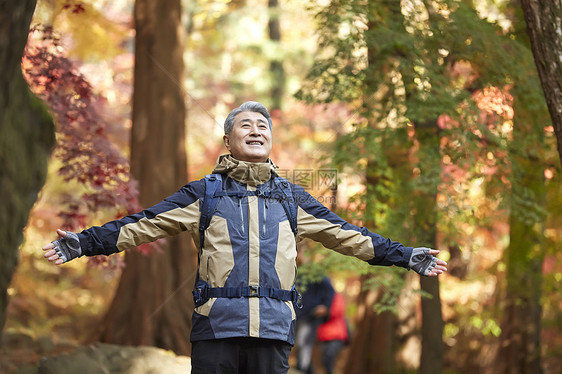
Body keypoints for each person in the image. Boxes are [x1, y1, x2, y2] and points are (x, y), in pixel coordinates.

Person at [42, 101, 447, 374]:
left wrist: (407, 255)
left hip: (273, 330)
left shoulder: (293, 198)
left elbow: (350, 236)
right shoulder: (204, 194)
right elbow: (140, 225)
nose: (255, 131)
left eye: (262, 126)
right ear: (228, 140)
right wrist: (83, 242)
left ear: (271, 140)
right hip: (216, 328)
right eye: (245, 126)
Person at [294, 276, 335, 374]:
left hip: (311, 315)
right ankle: (304, 368)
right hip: (296, 315)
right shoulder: (296, 271)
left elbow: (330, 291)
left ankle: (301, 369)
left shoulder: (315, 272)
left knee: (303, 343)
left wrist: (325, 306)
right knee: (299, 344)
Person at [316, 291, 349, 374]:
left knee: (328, 358)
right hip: (323, 336)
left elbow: (338, 311)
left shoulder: (336, 296)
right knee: (324, 361)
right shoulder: (319, 296)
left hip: (336, 335)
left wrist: (325, 311)